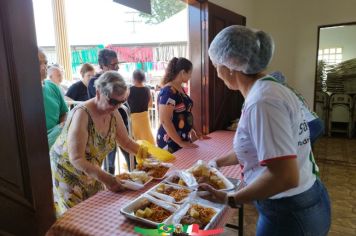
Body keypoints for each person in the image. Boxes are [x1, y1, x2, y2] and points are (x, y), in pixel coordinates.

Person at [198, 26, 331, 236]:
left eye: (216, 65)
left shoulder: (263, 102)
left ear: (230, 66)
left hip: (289, 212)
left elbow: (284, 177)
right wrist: (219, 162)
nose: (216, 73)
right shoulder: (270, 88)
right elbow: (258, 149)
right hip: (303, 202)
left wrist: (230, 199)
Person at [50, 71, 148, 217]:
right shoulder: (82, 114)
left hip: (92, 171)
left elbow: (126, 142)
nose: (117, 106)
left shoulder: (113, 112)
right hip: (67, 172)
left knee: (96, 214)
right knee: (77, 220)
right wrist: (106, 177)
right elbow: (77, 159)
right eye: (112, 101)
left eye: (122, 101)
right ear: (98, 92)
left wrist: (151, 157)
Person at [87, 48, 131, 173]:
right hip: (105, 128)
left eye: (118, 64)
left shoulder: (118, 79)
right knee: (109, 162)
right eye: (113, 64)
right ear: (103, 66)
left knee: (130, 153)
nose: (117, 67)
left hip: (121, 123)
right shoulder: (95, 83)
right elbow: (101, 106)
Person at [156, 57, 209, 153]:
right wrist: (180, 142)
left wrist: (197, 131)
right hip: (170, 141)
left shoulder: (179, 88)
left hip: (181, 138)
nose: (190, 76)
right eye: (190, 73)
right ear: (183, 72)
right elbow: (165, 120)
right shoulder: (168, 92)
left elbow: (187, 113)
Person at [269, 71, 325, 145]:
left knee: (298, 151)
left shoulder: (282, 92)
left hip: (310, 125)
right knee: (305, 152)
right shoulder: (289, 89)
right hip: (317, 122)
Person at [38, 49, 68, 148]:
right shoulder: (21, 92)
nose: (44, 67)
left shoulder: (53, 86)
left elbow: (64, 113)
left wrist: (62, 125)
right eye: (38, 63)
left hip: (57, 137)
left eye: (45, 63)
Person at [127, 69, 155, 144]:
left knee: (136, 138)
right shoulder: (147, 89)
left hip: (134, 117)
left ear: (133, 78)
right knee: (146, 136)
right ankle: (149, 153)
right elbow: (150, 104)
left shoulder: (130, 90)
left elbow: (126, 103)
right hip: (145, 117)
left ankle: (138, 154)